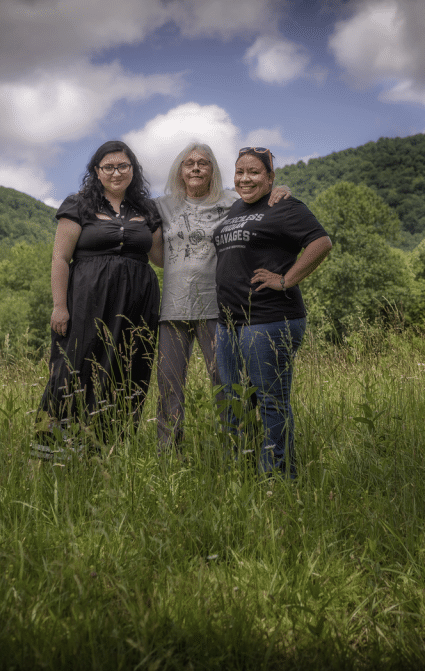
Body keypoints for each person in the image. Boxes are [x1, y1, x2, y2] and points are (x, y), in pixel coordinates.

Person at [149, 142, 289, 452]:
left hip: (218, 308)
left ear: (213, 170)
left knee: (227, 384)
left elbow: (263, 201)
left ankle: (238, 450)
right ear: (180, 170)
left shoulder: (230, 202)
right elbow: (155, 252)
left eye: (203, 163)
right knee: (169, 385)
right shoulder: (162, 206)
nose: (196, 168)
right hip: (172, 309)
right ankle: (168, 453)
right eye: (189, 163)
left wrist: (282, 189)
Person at [213, 146, 333, 477]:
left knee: (270, 401)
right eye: (240, 172)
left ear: (270, 177)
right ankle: (238, 471)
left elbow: (320, 243)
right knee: (234, 400)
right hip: (228, 322)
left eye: (253, 172)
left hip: (268, 319)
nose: (245, 178)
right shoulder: (234, 207)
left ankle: (277, 478)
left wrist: (285, 280)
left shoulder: (285, 206)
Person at [38, 140, 161, 442]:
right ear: (96, 171)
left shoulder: (147, 208)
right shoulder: (79, 204)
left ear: (133, 169)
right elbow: (60, 259)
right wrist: (59, 306)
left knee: (127, 369)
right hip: (86, 301)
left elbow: (160, 258)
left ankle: (110, 446)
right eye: (109, 167)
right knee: (75, 367)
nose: (116, 172)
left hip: (138, 305)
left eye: (123, 166)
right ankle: (57, 446)